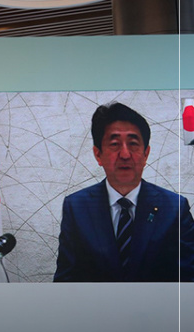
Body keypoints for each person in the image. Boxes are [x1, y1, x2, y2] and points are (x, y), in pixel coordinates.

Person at [54, 102, 194, 282]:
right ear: (98, 154)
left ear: (146, 154)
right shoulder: (77, 206)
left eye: (133, 144)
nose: (125, 154)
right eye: (114, 144)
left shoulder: (174, 208)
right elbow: (66, 281)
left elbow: (189, 281)